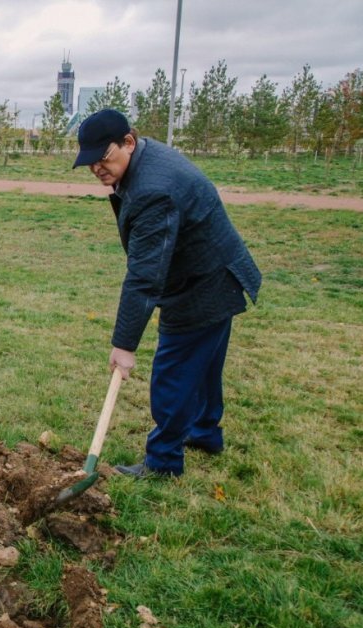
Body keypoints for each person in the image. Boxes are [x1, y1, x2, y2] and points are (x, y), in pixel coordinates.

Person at [72, 109, 261, 478]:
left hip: (204, 283)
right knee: (203, 364)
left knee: (174, 369)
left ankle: (163, 463)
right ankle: (205, 433)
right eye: (90, 162)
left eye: (103, 158)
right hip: (216, 272)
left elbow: (144, 276)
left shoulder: (153, 191)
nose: (97, 168)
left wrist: (124, 346)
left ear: (128, 142)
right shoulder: (146, 155)